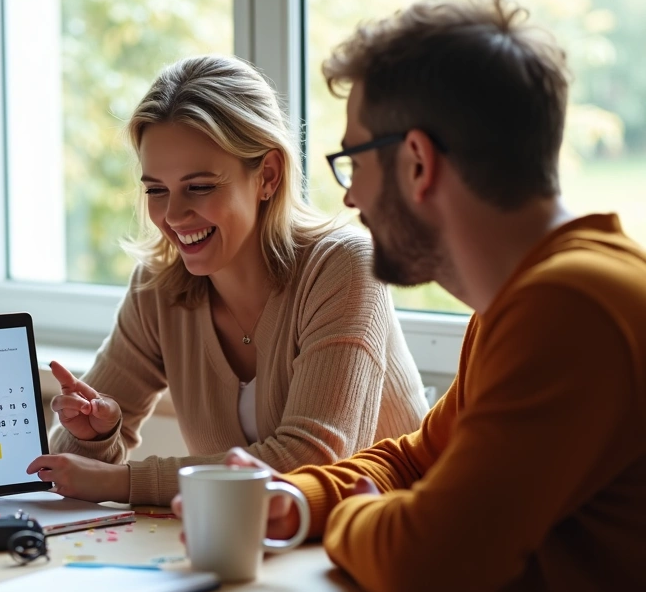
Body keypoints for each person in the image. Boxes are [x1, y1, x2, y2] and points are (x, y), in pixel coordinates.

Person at [177, 0, 646, 592]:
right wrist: (298, 499)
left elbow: (427, 566)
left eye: (355, 162)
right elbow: (419, 461)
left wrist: (353, 519)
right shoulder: (531, 299)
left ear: (418, 162)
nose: (349, 195)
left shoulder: (570, 308)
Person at [28, 54, 429, 506]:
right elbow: (60, 470)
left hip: (393, 546)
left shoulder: (343, 266)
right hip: (263, 551)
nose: (173, 216)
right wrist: (93, 437)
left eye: (199, 187)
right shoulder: (158, 288)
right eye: (156, 190)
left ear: (268, 176)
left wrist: (121, 481)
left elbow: (309, 462)